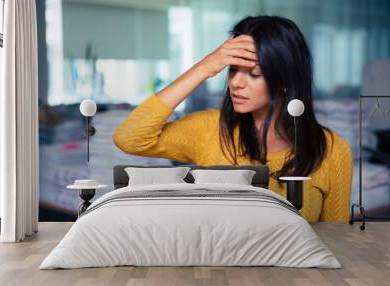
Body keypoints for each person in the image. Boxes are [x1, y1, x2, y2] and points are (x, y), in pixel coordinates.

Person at [113, 15, 353, 223]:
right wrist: (205, 67)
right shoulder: (210, 129)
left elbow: (336, 237)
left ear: (283, 80)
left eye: (254, 73)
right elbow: (129, 138)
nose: (236, 82)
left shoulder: (333, 150)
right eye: (232, 69)